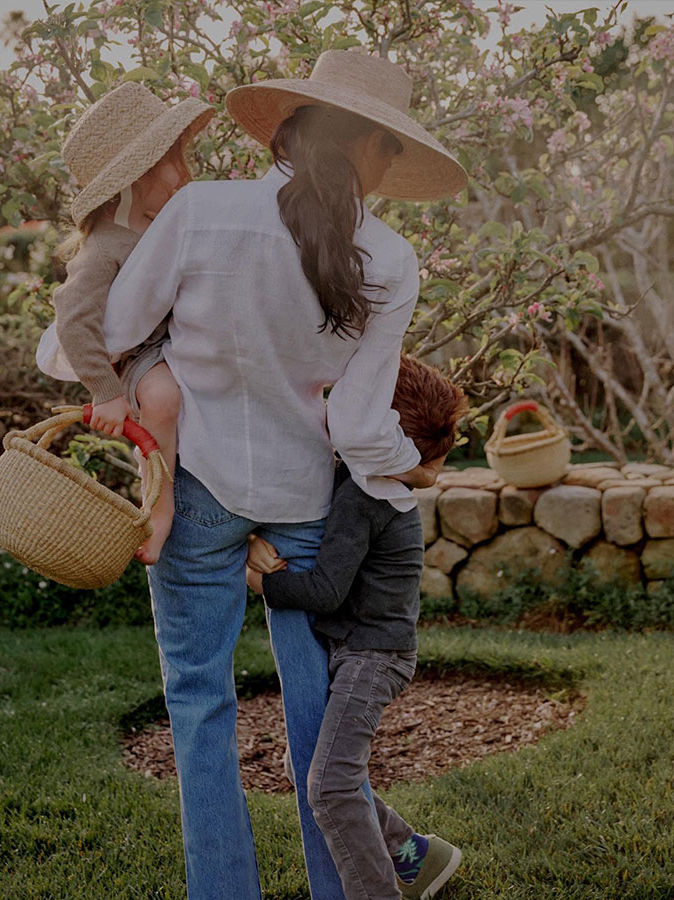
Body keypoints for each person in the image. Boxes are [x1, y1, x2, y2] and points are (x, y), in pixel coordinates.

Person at [98, 50, 467, 900]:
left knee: (198, 704)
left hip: (198, 494)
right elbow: (356, 425)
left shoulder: (199, 211)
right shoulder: (389, 259)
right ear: (372, 148)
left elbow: (116, 328)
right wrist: (414, 473)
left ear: (293, 130)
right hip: (308, 509)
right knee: (316, 718)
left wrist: (153, 376)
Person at [246, 355, 468, 900]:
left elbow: (325, 591)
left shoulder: (363, 498)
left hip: (372, 658)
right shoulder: (377, 483)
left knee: (328, 785)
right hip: (371, 650)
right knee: (311, 771)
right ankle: (419, 856)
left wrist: (262, 585)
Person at [35, 82, 213, 564]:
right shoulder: (105, 247)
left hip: (184, 341)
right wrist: (105, 390)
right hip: (143, 354)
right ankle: (157, 509)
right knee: (161, 399)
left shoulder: (165, 225)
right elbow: (74, 317)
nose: (184, 174)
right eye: (171, 162)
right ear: (133, 176)